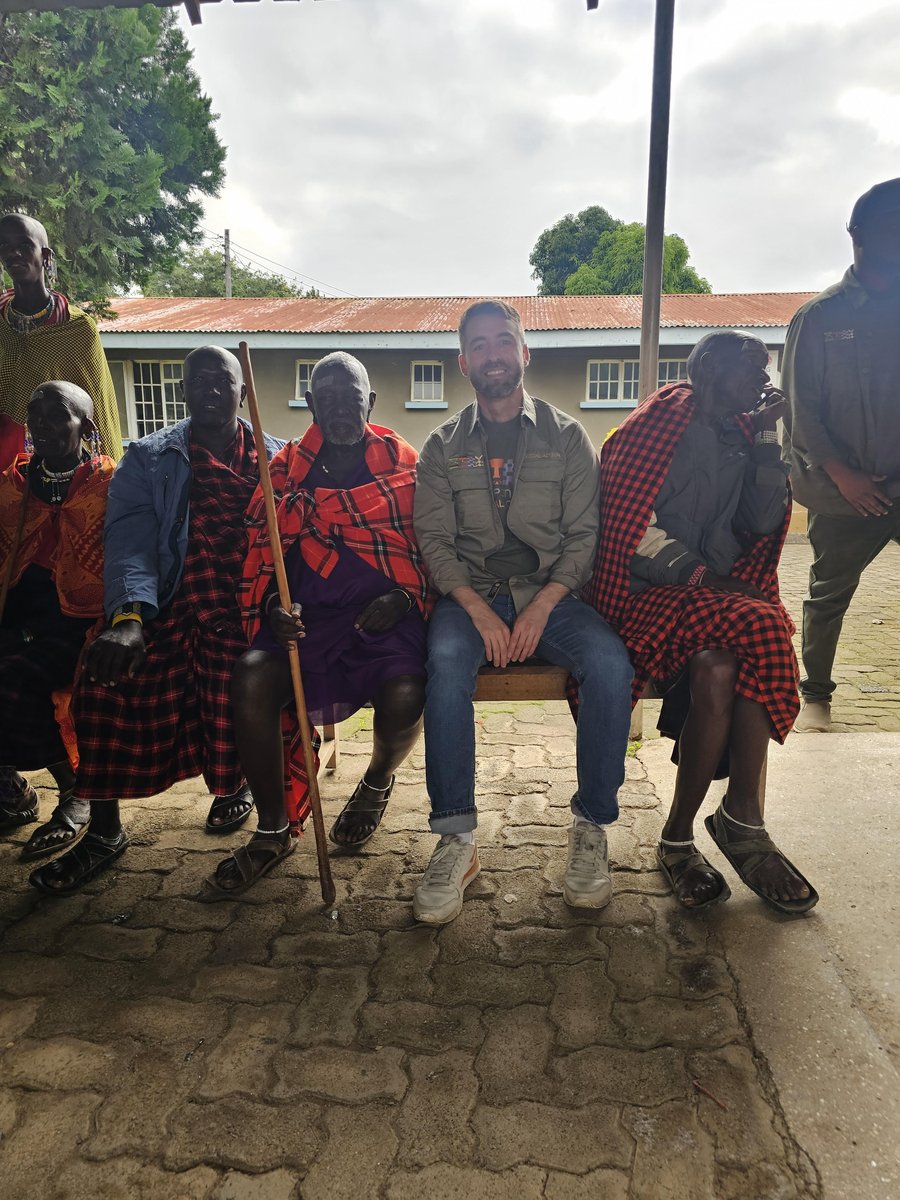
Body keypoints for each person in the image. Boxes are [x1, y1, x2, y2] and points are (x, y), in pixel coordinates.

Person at [28, 347, 283, 895]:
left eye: (224, 382)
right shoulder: (149, 457)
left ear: (244, 392)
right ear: (183, 391)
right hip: (171, 603)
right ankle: (104, 832)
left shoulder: (276, 460)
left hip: (247, 611)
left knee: (244, 676)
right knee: (103, 676)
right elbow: (130, 547)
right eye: (199, 382)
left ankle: (244, 795)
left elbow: (293, 550)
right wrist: (128, 618)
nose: (211, 391)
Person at [412, 299, 634, 925]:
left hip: (552, 595)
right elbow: (435, 542)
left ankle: (592, 825)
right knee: (447, 662)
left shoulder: (566, 438)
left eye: (503, 340)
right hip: (470, 597)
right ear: (464, 362)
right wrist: (480, 612)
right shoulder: (440, 446)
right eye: (478, 345)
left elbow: (584, 537)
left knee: (609, 665)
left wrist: (541, 606)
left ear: (524, 352)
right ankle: (456, 837)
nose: (493, 355)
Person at [591, 330, 817, 914]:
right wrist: (702, 578)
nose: (764, 382)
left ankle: (680, 837)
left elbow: (764, 523)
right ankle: (742, 816)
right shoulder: (655, 425)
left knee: (721, 670)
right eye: (753, 369)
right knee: (765, 623)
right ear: (711, 367)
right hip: (644, 595)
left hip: (709, 604)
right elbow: (626, 523)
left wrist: (769, 440)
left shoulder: (743, 432)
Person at [204, 352, 429, 897]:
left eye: (349, 397)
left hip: (385, 620)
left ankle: (376, 781)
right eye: (324, 399)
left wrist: (403, 597)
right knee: (252, 675)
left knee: (406, 692)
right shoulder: (280, 470)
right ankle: (273, 830)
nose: (338, 408)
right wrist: (271, 613)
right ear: (310, 405)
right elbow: (261, 553)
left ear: (370, 401)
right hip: (305, 623)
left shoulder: (404, 465)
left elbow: (432, 550)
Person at [783, 179, 900, 733]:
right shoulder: (819, 318)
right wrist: (843, 475)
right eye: (889, 225)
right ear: (858, 235)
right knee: (828, 593)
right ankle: (817, 690)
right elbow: (801, 411)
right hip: (841, 492)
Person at [0, 383, 114, 858]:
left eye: (56, 414)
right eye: (35, 413)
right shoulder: (12, 484)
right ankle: (13, 791)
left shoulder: (108, 486)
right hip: (17, 617)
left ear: (86, 428)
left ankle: (75, 790)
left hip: (81, 623)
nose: (42, 423)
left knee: (14, 679)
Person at [0, 213, 123, 462]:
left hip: (55, 466)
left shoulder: (76, 329)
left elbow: (98, 406)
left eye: (24, 245)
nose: (14, 253)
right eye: (5, 246)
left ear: (46, 257)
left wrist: (110, 481)